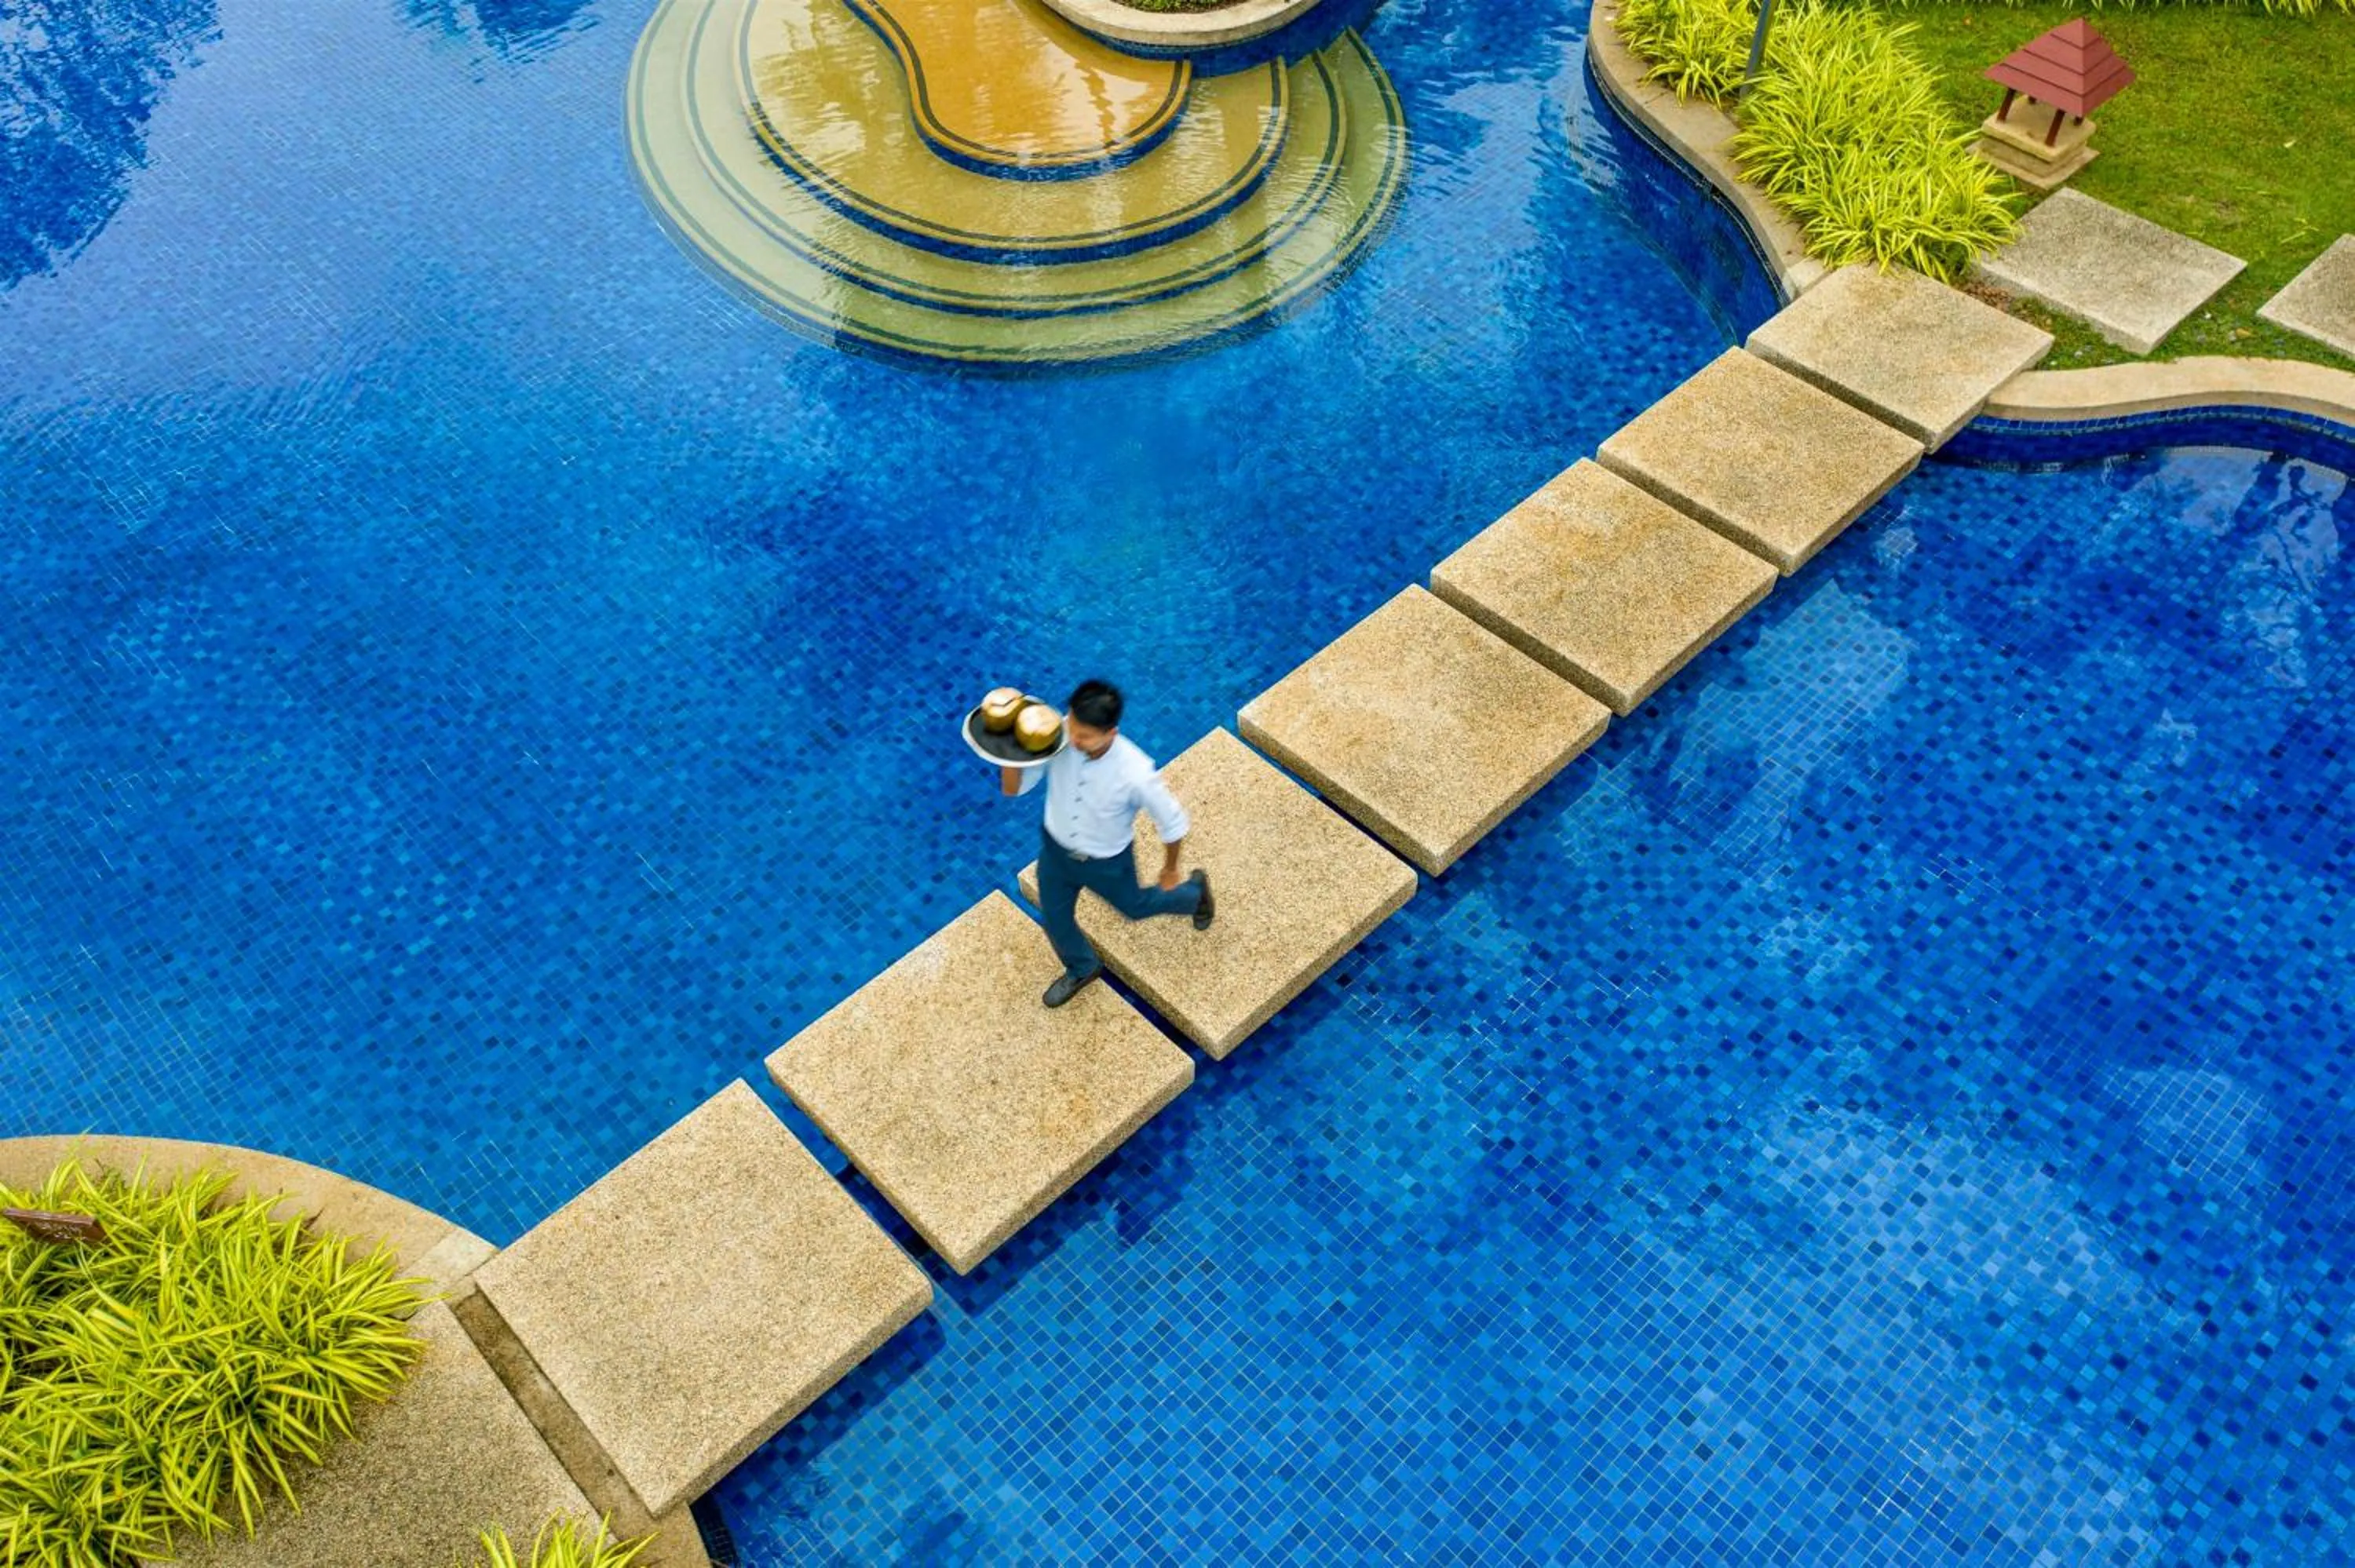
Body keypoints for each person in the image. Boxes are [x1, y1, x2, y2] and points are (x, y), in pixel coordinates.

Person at [1000, 678, 1213, 1007]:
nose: (1073, 740)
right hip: (1055, 853)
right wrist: (1008, 754)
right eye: (1072, 727)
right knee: (1055, 918)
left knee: (1135, 907)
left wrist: (1170, 868)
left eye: (1084, 736)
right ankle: (1082, 967)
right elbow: (1013, 789)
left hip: (1107, 863)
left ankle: (1196, 895)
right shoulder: (1056, 736)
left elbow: (1173, 823)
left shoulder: (1135, 773)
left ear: (1110, 733)